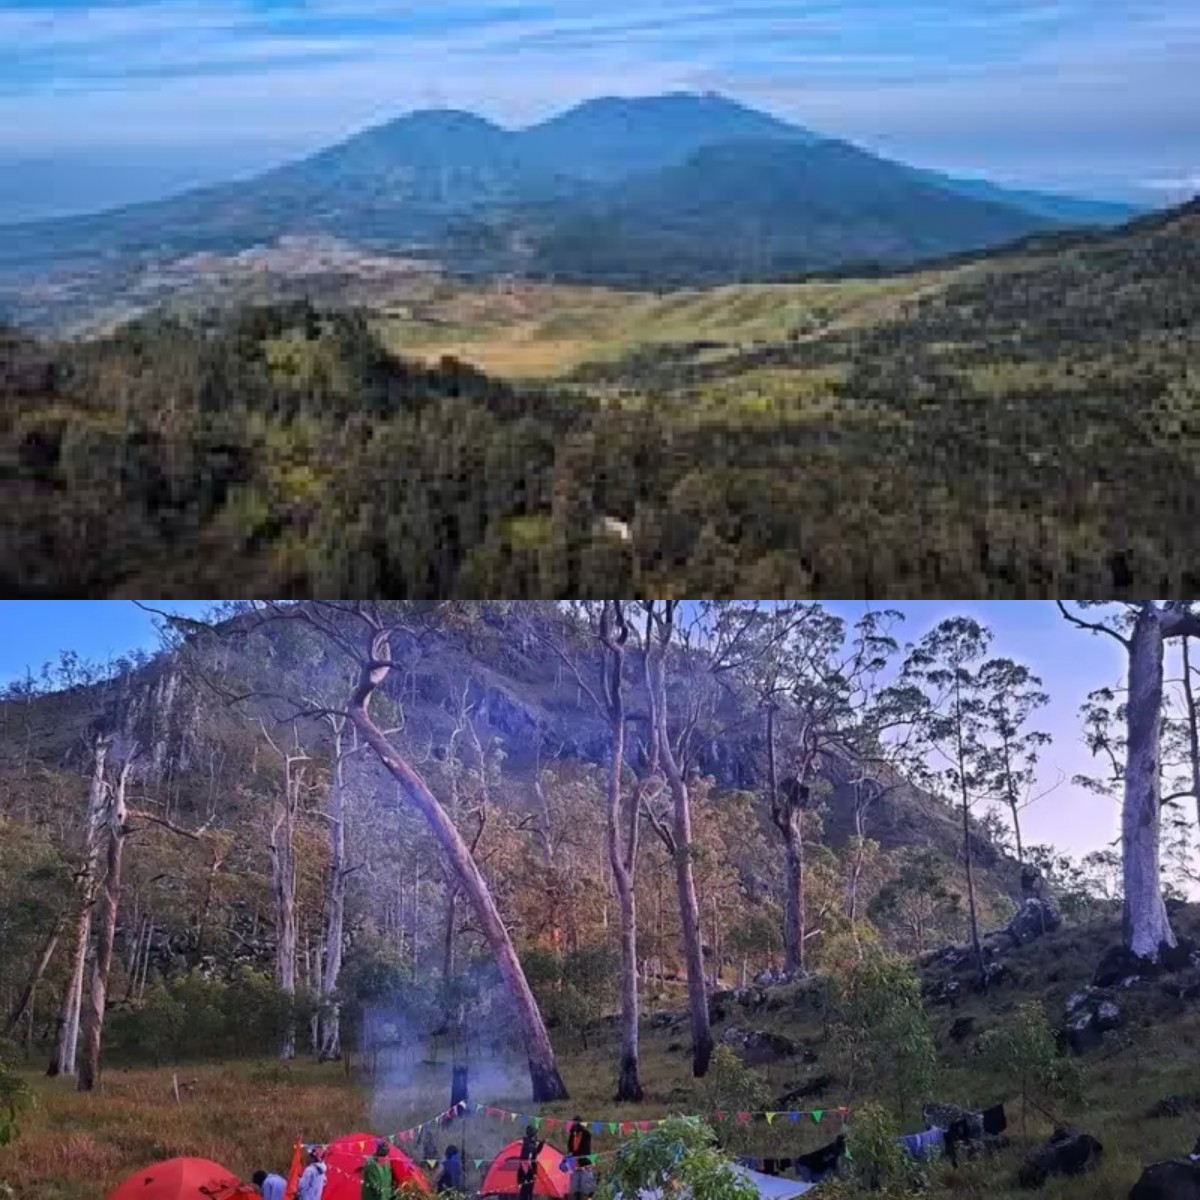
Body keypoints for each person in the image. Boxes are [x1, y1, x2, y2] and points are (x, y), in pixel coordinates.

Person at [566, 1118, 593, 1199]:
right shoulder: (572, 1134)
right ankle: (577, 1196)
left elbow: (586, 1149)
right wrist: (571, 1153)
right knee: (575, 1183)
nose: (575, 1125)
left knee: (586, 1183)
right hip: (575, 1161)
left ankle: (587, 1197)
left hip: (584, 1161)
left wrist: (575, 1154)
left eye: (576, 1123)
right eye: (574, 1123)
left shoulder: (586, 1134)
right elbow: (570, 1145)